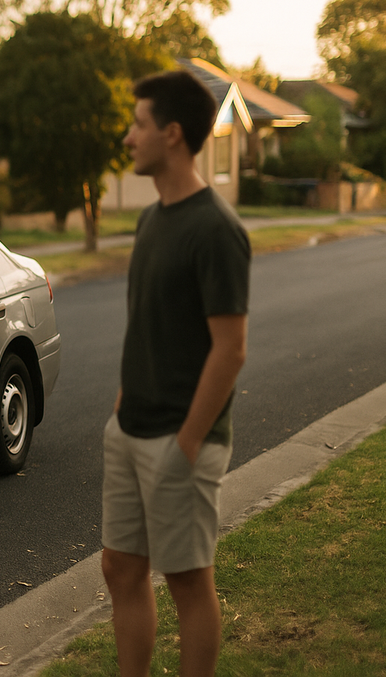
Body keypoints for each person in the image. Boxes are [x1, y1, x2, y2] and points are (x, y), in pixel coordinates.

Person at [102, 70, 251, 677]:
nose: (129, 136)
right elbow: (148, 326)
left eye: (139, 124)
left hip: (180, 440)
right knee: (120, 568)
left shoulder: (216, 229)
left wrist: (187, 444)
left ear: (173, 134)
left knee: (188, 581)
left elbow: (231, 349)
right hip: (130, 428)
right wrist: (119, 411)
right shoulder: (152, 220)